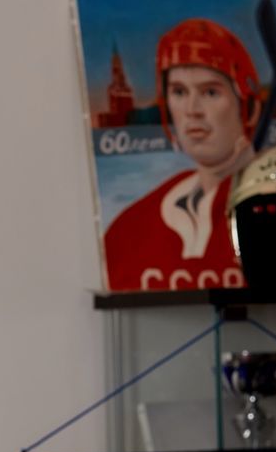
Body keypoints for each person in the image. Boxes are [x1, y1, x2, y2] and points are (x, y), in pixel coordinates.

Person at [103, 18, 262, 292]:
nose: (192, 110)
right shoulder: (131, 227)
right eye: (179, 92)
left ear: (248, 107)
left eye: (210, 92)